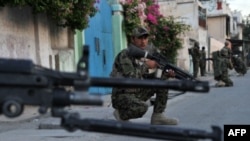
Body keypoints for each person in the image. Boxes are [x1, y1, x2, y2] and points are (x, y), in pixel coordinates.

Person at [110, 26, 178, 125]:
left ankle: (158, 116)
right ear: (133, 39)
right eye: (140, 38)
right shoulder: (125, 55)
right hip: (122, 95)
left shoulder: (142, 55)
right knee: (142, 108)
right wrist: (147, 65)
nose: (143, 41)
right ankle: (121, 114)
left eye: (145, 38)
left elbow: (145, 77)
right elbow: (131, 78)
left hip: (137, 92)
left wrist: (165, 75)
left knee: (162, 81)